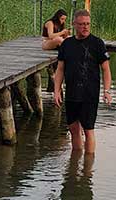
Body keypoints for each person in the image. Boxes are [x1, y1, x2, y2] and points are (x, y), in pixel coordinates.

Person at [54, 9, 112, 154]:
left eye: (87, 24)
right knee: (73, 128)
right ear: (74, 24)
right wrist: (56, 90)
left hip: (90, 94)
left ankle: (88, 168)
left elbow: (106, 70)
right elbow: (60, 69)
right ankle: (75, 162)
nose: (85, 27)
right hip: (72, 92)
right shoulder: (67, 44)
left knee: (88, 129)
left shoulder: (97, 43)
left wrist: (107, 91)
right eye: (81, 24)